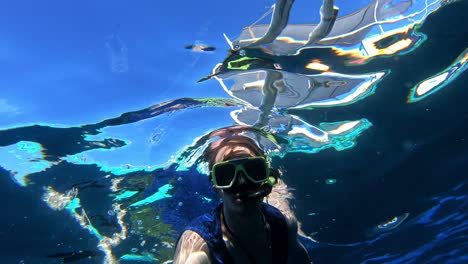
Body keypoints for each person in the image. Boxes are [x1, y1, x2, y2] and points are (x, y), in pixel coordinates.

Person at [173, 133, 311, 263]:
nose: (242, 182)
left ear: (265, 178)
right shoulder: (198, 245)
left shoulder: (284, 224)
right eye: (226, 174)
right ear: (216, 188)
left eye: (253, 170)